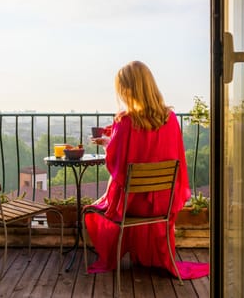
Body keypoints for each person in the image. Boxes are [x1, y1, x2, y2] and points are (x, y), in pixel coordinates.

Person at [84, 60, 209, 279]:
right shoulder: (170, 119)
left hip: (134, 206)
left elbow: (118, 166)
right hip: (161, 203)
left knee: (93, 209)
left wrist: (106, 143)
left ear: (128, 89)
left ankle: (117, 253)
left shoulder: (126, 122)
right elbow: (175, 158)